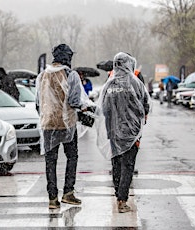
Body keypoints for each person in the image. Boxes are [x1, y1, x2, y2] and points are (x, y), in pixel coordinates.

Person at [97, 52, 150, 213]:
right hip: (132, 131)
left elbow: (104, 108)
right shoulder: (135, 83)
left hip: (113, 130)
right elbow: (145, 105)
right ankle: (122, 199)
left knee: (116, 164)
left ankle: (117, 194)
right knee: (128, 165)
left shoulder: (109, 84)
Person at [36, 43, 86, 209]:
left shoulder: (42, 75)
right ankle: (68, 192)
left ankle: (52, 198)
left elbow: (38, 102)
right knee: (72, 156)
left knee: (51, 161)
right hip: (67, 124)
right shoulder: (71, 75)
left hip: (48, 124)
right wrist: (84, 107)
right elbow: (74, 101)